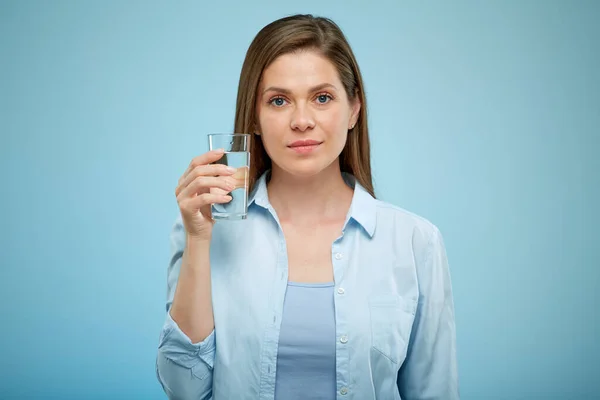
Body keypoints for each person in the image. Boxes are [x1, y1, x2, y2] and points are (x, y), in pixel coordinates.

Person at [156, 14, 459, 400]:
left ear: (353, 110)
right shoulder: (203, 230)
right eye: (279, 101)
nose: (302, 121)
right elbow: (184, 391)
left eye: (322, 98)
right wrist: (199, 240)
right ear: (257, 119)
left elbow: (435, 392)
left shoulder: (417, 243)